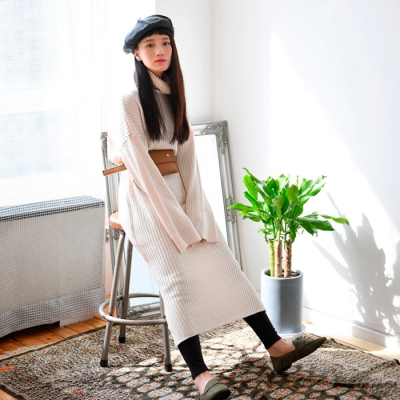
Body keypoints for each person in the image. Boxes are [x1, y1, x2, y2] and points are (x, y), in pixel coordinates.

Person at [107, 14, 326, 400]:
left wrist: (195, 207)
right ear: (137, 54)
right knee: (176, 281)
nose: (160, 51)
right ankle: (200, 375)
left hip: (181, 193)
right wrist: (174, 217)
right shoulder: (129, 100)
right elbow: (140, 166)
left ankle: (277, 347)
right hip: (146, 200)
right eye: (150, 45)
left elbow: (187, 155)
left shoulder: (175, 94)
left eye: (165, 42)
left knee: (224, 265)